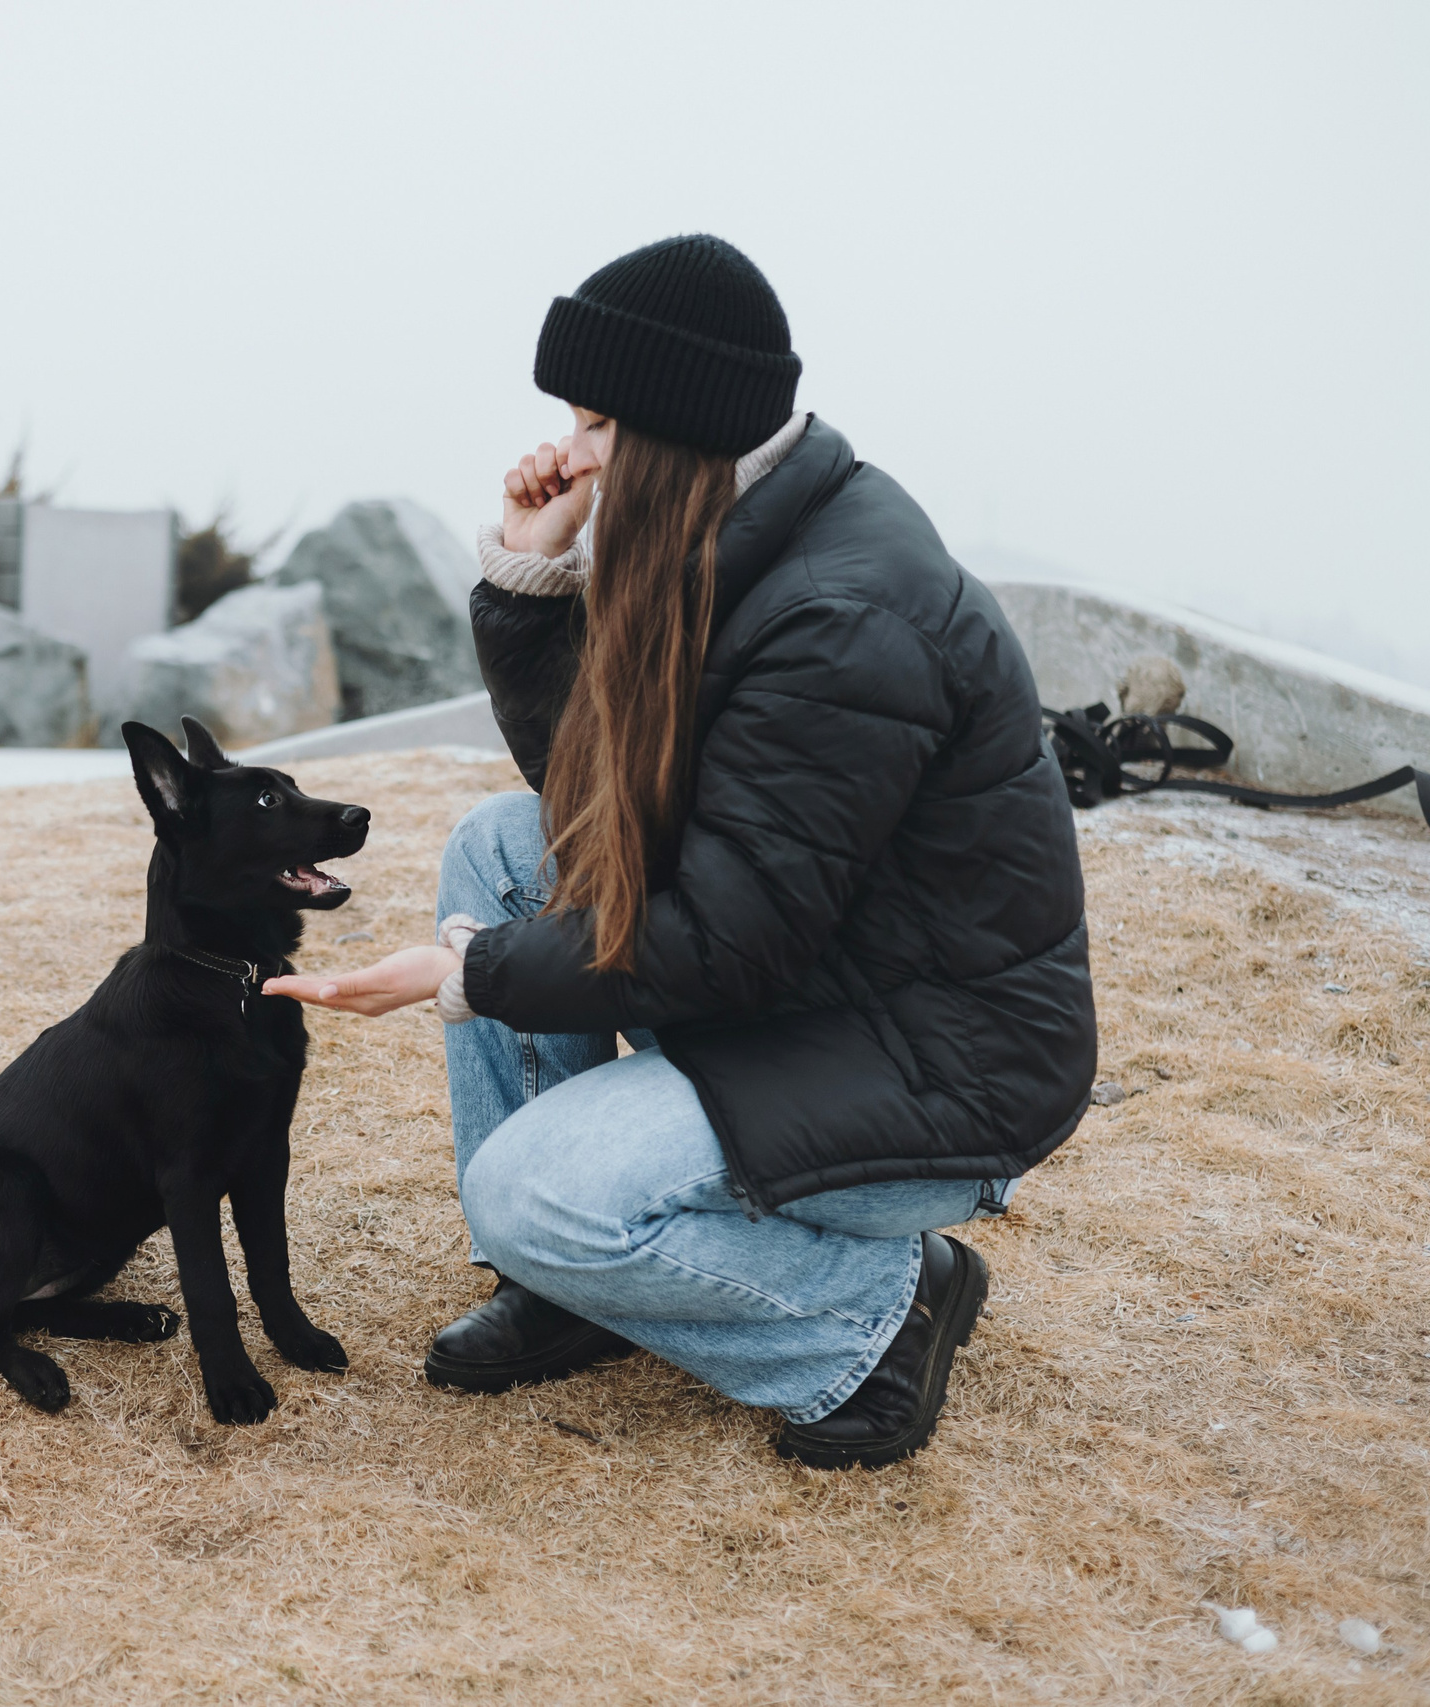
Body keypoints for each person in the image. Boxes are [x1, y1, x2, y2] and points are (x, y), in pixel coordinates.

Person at [262, 234, 1095, 1469]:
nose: (571, 454)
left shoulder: (843, 618)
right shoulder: (739, 532)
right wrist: (529, 580)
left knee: (527, 1191)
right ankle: (572, 1288)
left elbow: (721, 941)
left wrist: (470, 973)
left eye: (598, 423)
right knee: (501, 847)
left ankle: (875, 1319)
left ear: (680, 423)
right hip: (809, 992)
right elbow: (597, 805)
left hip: (932, 1074)